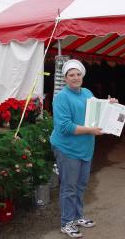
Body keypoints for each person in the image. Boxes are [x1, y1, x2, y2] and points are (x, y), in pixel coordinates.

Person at [50, 59, 117, 238]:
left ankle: (78, 216)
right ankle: (66, 222)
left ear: (82, 75)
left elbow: (98, 108)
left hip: (85, 147)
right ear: (65, 78)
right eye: (71, 75)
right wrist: (90, 130)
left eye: (78, 74)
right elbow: (64, 126)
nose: (75, 78)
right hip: (67, 148)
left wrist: (109, 104)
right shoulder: (61, 98)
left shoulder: (86, 92)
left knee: (81, 184)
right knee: (69, 187)